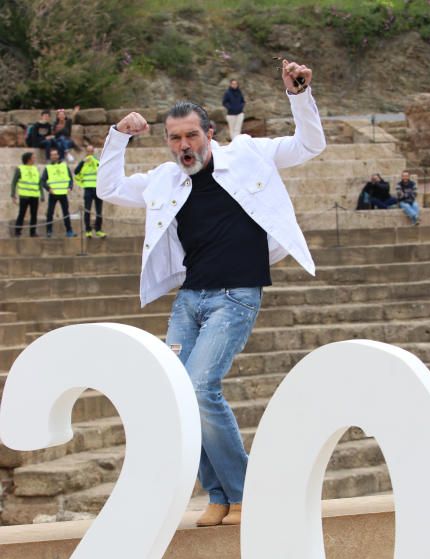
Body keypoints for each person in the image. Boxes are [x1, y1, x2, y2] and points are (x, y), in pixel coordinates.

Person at [97, 59, 326, 527]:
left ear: (210, 133)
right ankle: (220, 496)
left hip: (236, 295)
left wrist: (299, 95)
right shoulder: (164, 179)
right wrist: (118, 135)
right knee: (176, 395)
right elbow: (109, 187)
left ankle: (244, 491)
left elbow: (309, 144)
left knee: (201, 387)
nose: (184, 146)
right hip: (190, 298)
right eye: (175, 138)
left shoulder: (249, 154)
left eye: (191, 136)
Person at [41, 147, 75, 238]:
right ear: (50, 156)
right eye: (52, 155)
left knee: (66, 213)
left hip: (63, 193)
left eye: (55, 154)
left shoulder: (64, 166)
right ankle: (49, 231)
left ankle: (69, 230)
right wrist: (48, 189)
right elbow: (43, 181)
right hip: (53, 194)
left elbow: (70, 179)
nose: (54, 156)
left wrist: (70, 187)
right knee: (49, 213)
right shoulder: (48, 167)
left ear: (58, 155)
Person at [74, 144, 106, 238]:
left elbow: (103, 172)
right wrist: (82, 162)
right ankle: (88, 230)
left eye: (91, 151)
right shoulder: (83, 163)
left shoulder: (98, 162)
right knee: (87, 210)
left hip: (98, 190)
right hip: (88, 189)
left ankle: (98, 229)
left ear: (93, 152)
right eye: (88, 151)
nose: (90, 153)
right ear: (86, 152)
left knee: (99, 211)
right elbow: (76, 172)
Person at [11, 152, 44, 237]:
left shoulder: (35, 169)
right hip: (24, 196)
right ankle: (17, 231)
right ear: (28, 159)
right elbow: (14, 182)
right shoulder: (20, 169)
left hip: (34, 195)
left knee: (34, 214)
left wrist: (42, 194)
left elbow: (39, 183)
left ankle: (33, 232)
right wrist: (13, 194)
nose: (34, 159)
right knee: (22, 213)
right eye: (33, 157)